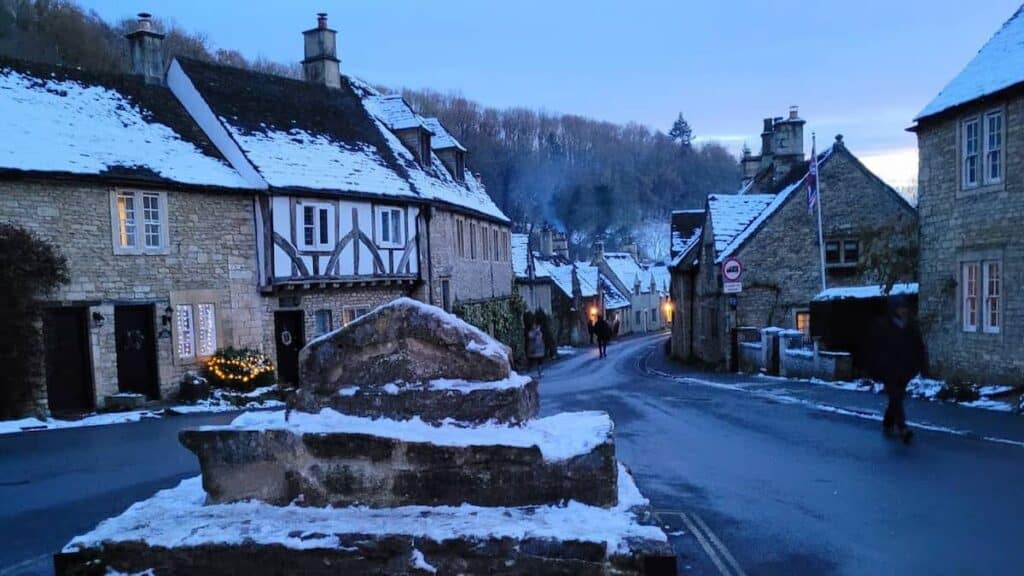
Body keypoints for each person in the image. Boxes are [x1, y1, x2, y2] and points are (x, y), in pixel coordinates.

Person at [868, 294, 927, 443]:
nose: (903, 311)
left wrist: (921, 364)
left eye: (904, 308)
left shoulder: (911, 326)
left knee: (897, 397)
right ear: (893, 309)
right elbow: (875, 349)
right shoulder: (884, 325)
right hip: (888, 369)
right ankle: (902, 427)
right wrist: (875, 368)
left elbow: (919, 346)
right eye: (900, 308)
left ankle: (888, 422)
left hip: (906, 368)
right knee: (895, 396)